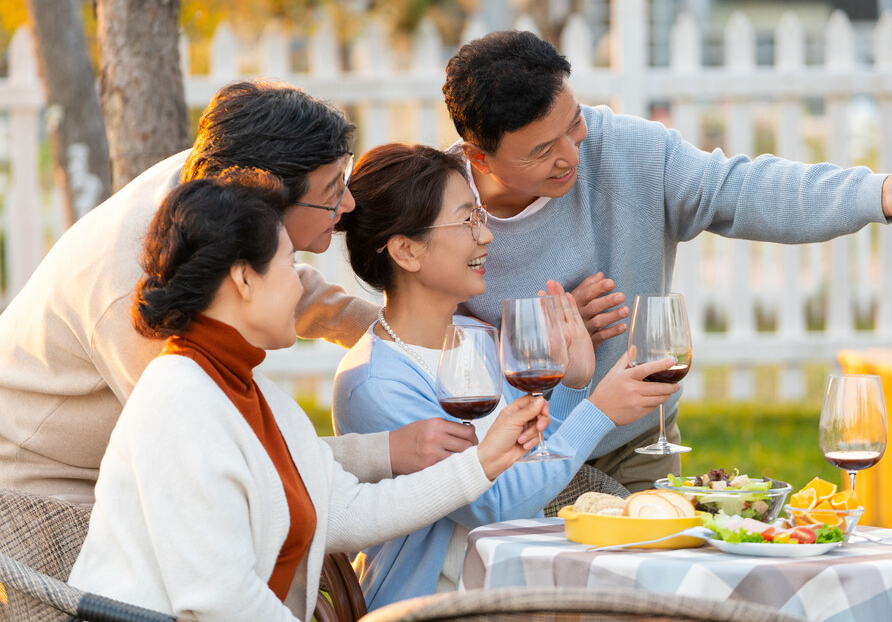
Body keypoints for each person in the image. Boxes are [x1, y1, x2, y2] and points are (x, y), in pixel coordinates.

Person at [441, 30, 892, 491]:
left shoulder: (630, 152)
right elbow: (403, 333)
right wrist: (535, 343)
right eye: (541, 150)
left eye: (573, 125)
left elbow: (741, 189)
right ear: (479, 157)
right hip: (505, 454)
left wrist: (876, 193)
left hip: (636, 443)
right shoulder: (434, 207)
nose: (572, 155)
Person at [67, 173, 549, 622]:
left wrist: (484, 460)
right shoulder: (179, 400)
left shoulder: (251, 392)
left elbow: (348, 510)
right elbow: (219, 602)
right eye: (287, 265)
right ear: (244, 278)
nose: (301, 285)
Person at [0, 80, 478, 504]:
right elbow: (229, 444)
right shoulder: (138, 288)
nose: (347, 204)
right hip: (47, 488)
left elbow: (294, 288)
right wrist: (388, 450)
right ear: (267, 199)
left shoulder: (218, 183)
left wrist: (405, 335)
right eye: (333, 191)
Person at [331, 144, 679, 610]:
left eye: (480, 215)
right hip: (433, 606)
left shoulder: (475, 338)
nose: (486, 236)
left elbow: (533, 456)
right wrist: (599, 410)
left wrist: (575, 384)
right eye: (466, 221)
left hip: (515, 590)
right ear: (407, 251)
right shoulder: (374, 383)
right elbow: (494, 506)